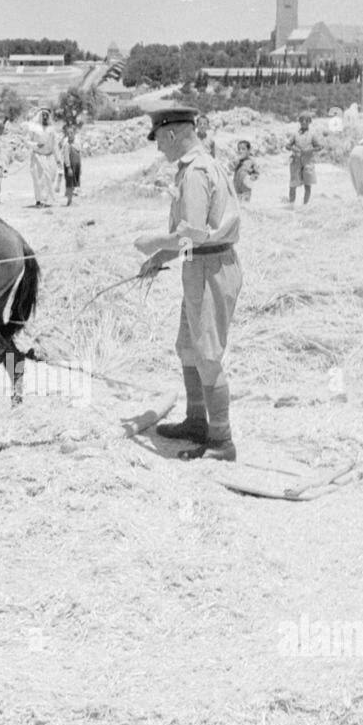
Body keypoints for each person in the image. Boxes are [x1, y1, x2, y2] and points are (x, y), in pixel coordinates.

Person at [134, 105, 242, 463]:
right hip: (199, 264)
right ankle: (196, 422)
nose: (159, 150)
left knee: (207, 355)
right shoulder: (195, 168)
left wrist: (154, 243)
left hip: (210, 267)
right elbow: (190, 239)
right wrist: (159, 259)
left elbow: (191, 233)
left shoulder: (196, 172)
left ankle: (221, 441)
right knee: (188, 348)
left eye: (159, 141)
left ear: (171, 134)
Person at [29, 108, 63, 207]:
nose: (44, 117)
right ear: (39, 116)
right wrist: (36, 145)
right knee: (39, 180)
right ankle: (39, 200)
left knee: (49, 178)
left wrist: (58, 159)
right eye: (43, 115)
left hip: (49, 157)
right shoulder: (34, 128)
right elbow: (27, 141)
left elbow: (55, 145)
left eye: (46, 115)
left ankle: (45, 199)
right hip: (37, 158)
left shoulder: (51, 129)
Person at [286, 111, 320, 205]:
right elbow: (287, 145)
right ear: (299, 121)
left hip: (308, 163)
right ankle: (291, 204)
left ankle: (305, 205)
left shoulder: (312, 135)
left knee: (307, 185)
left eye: (306, 120)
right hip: (296, 162)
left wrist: (310, 150)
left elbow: (319, 147)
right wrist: (294, 149)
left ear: (309, 122)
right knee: (293, 185)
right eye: (302, 120)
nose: (304, 122)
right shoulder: (295, 134)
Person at [62, 122, 82, 205]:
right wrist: (69, 167)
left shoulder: (77, 144)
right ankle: (69, 201)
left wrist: (80, 168)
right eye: (68, 133)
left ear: (75, 134)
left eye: (71, 133)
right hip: (70, 167)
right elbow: (66, 157)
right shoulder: (67, 145)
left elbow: (79, 155)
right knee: (69, 183)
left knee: (74, 183)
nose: (70, 135)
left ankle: (72, 200)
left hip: (76, 166)